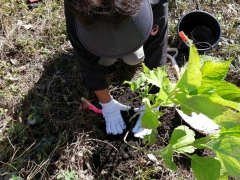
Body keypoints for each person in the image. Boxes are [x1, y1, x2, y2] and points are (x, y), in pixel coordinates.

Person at [64, 0, 168, 138]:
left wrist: (152, 102)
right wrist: (107, 105)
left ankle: (125, 42)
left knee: (134, 58)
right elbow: (86, 61)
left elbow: (157, 49)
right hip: (97, 29)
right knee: (106, 61)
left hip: (131, 20)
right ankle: (106, 48)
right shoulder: (77, 6)